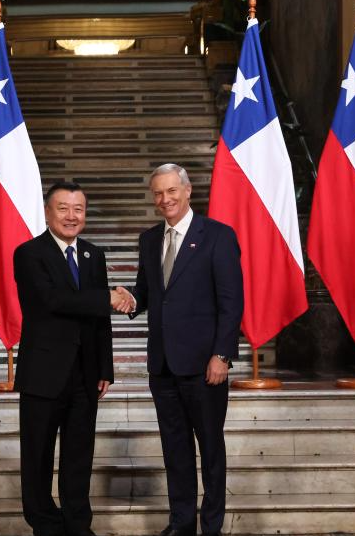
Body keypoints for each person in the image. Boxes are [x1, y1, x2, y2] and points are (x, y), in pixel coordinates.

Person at [123, 163, 243, 536]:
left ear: (188, 191)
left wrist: (222, 355)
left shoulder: (217, 236)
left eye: (172, 191)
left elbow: (231, 301)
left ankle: (211, 527)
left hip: (205, 364)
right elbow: (148, 292)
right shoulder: (148, 240)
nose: (165, 199)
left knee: (210, 450)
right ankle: (181, 523)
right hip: (162, 366)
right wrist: (129, 299)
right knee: (174, 449)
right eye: (158, 193)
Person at [13, 181, 133, 536]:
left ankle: (78, 525)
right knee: (37, 455)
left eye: (78, 209)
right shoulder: (29, 253)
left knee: (79, 456)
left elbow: (100, 321)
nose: (71, 216)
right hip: (43, 373)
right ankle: (45, 525)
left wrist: (105, 368)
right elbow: (52, 301)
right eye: (63, 208)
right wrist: (107, 298)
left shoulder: (93, 254)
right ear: (48, 212)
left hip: (85, 374)